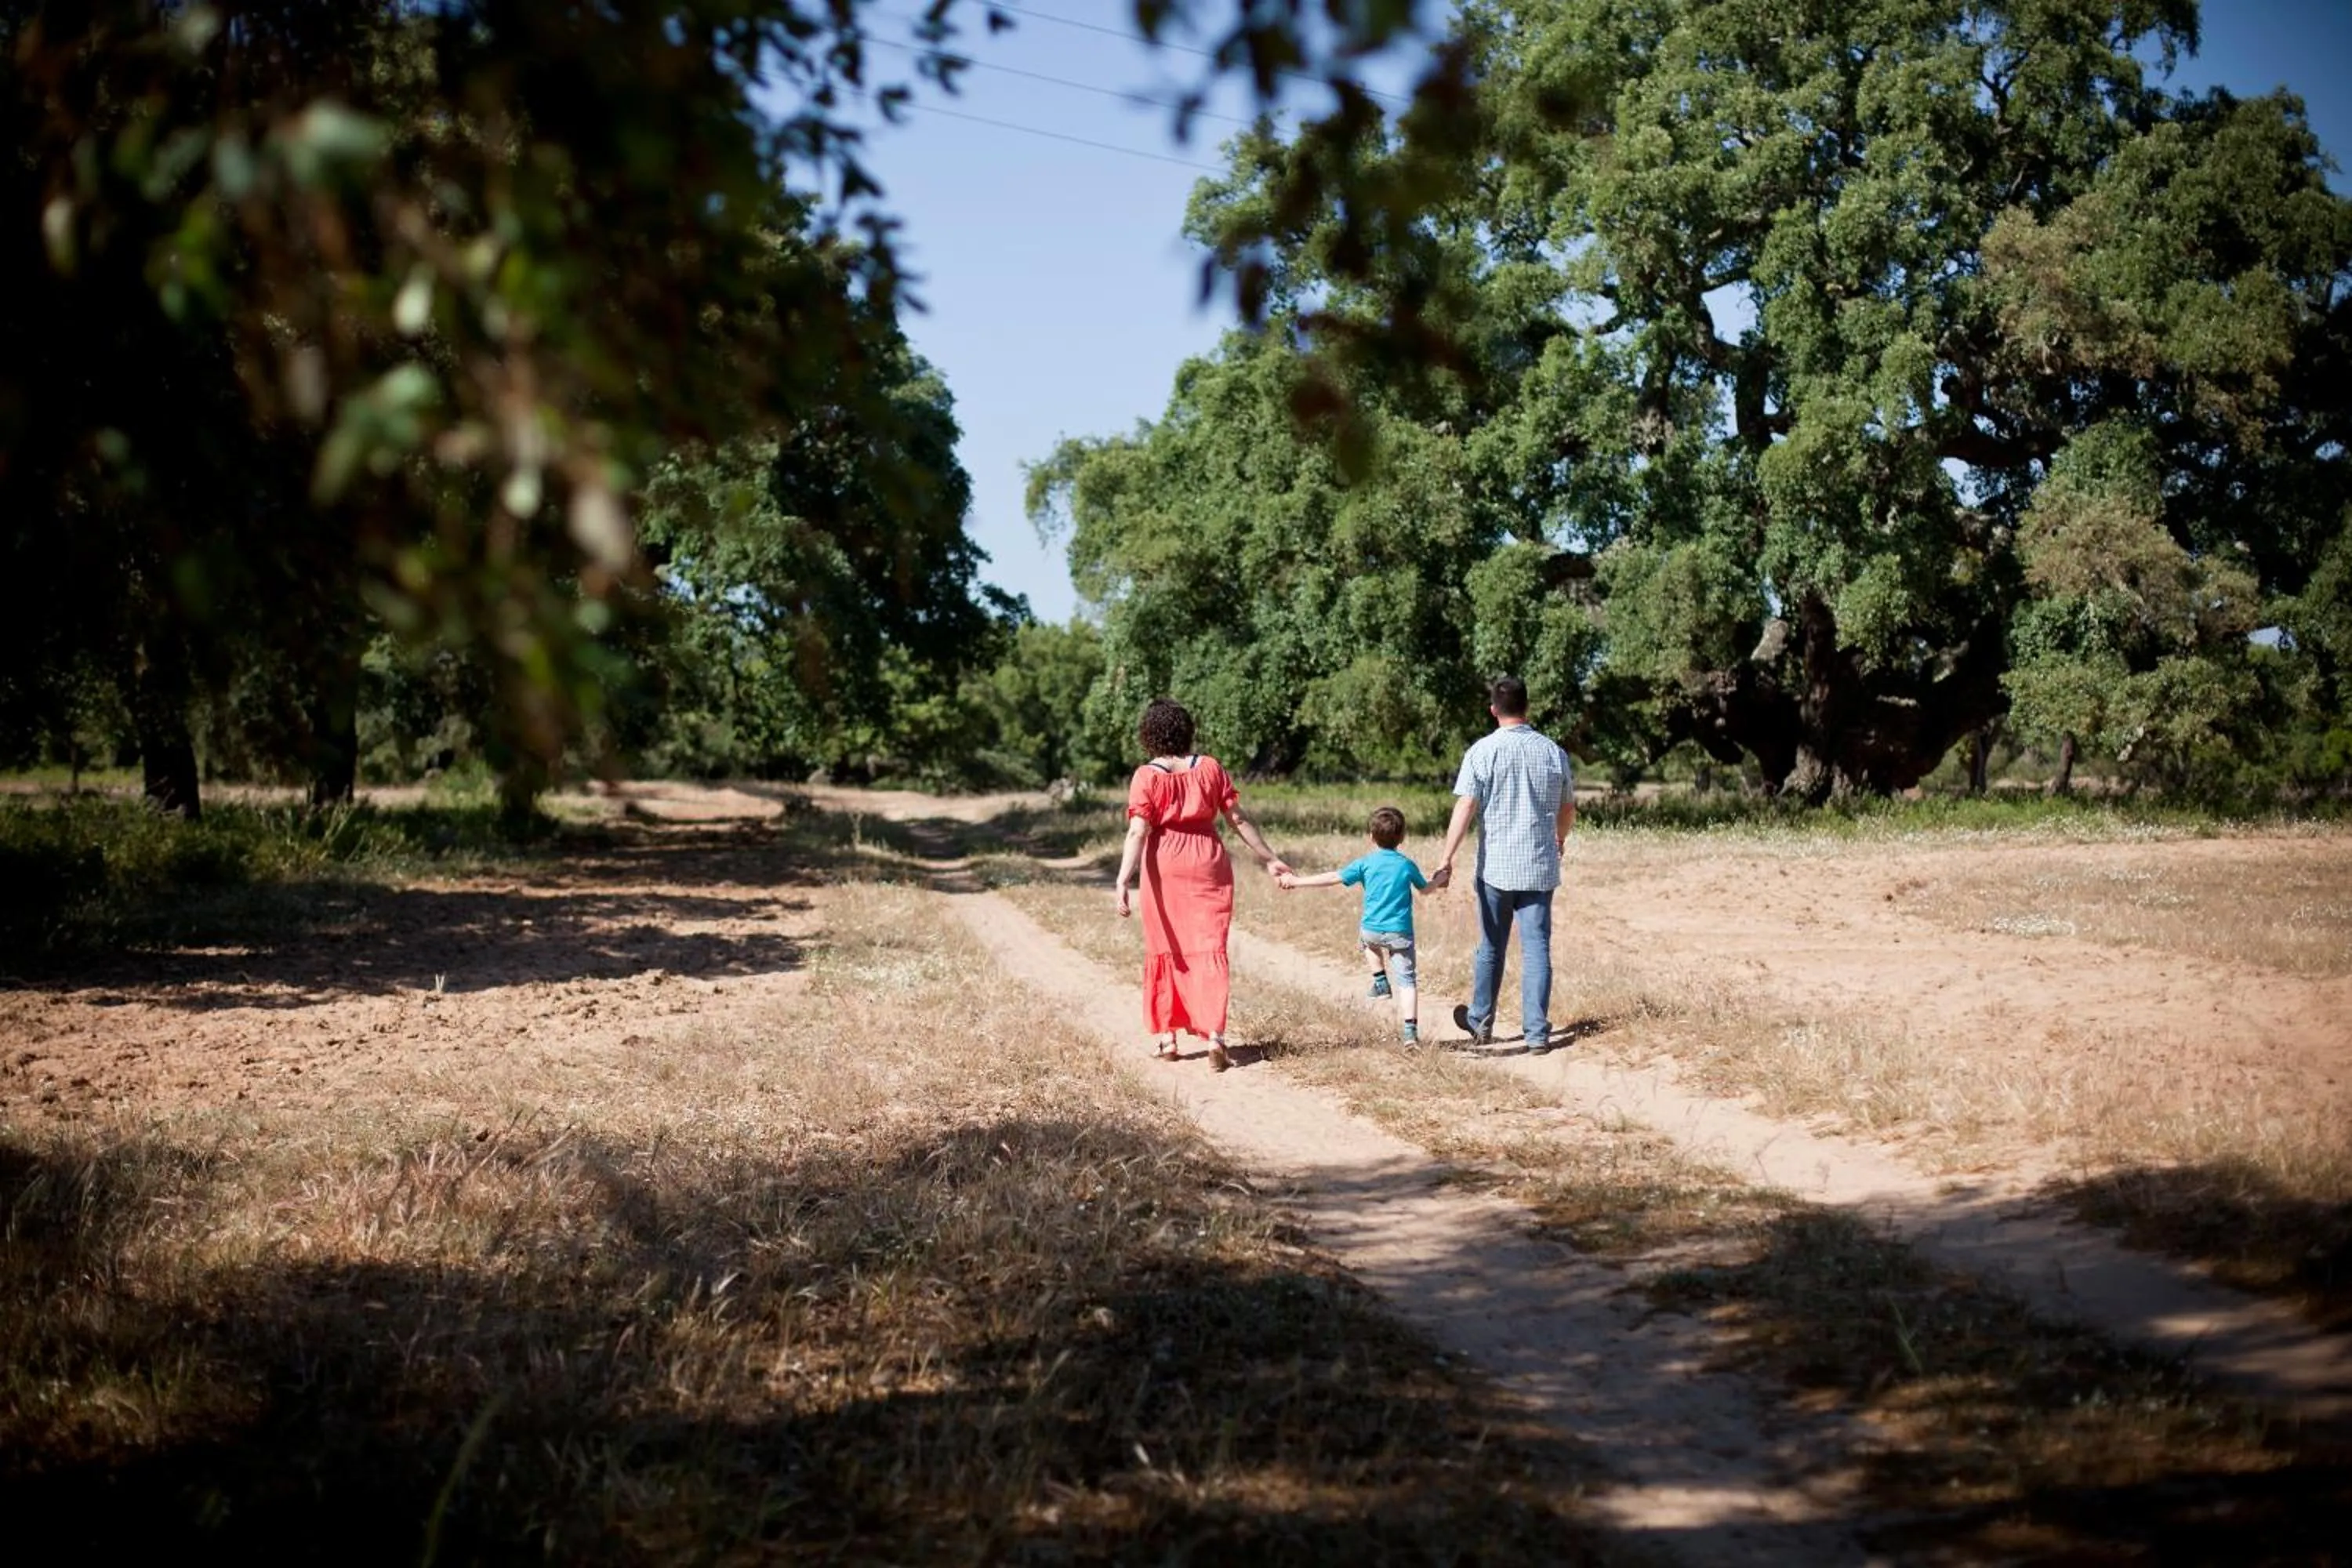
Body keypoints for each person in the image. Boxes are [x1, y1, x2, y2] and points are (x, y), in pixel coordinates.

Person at [1112, 698, 1292, 1073]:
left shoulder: (1146, 776)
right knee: (1210, 945)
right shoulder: (1209, 768)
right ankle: (1215, 1037)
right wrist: (1270, 858)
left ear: (1149, 734)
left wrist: (1123, 877)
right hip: (1207, 860)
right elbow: (1238, 819)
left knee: (1167, 946)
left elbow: (1138, 830)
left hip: (1165, 865)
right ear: (1187, 731)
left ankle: (1168, 1038)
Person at [1432, 675, 1574, 1054]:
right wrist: (1559, 838)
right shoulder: (1553, 752)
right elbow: (1567, 807)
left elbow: (1465, 805)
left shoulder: (1482, 751)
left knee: (1491, 945)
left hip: (1496, 866)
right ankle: (1537, 1034)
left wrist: (1447, 858)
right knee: (1537, 947)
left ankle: (1480, 1023)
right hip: (1539, 866)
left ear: (1493, 710)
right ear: (1527, 707)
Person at [1277, 805, 1431, 1044]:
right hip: (1400, 933)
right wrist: (1440, 879)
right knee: (1408, 982)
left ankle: (1380, 981)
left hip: (1372, 932)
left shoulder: (1365, 863)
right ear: (1402, 838)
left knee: (1367, 941)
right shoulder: (1406, 865)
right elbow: (1426, 889)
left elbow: (1332, 878)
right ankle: (1410, 1033)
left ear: (1371, 836)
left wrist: (1296, 881)